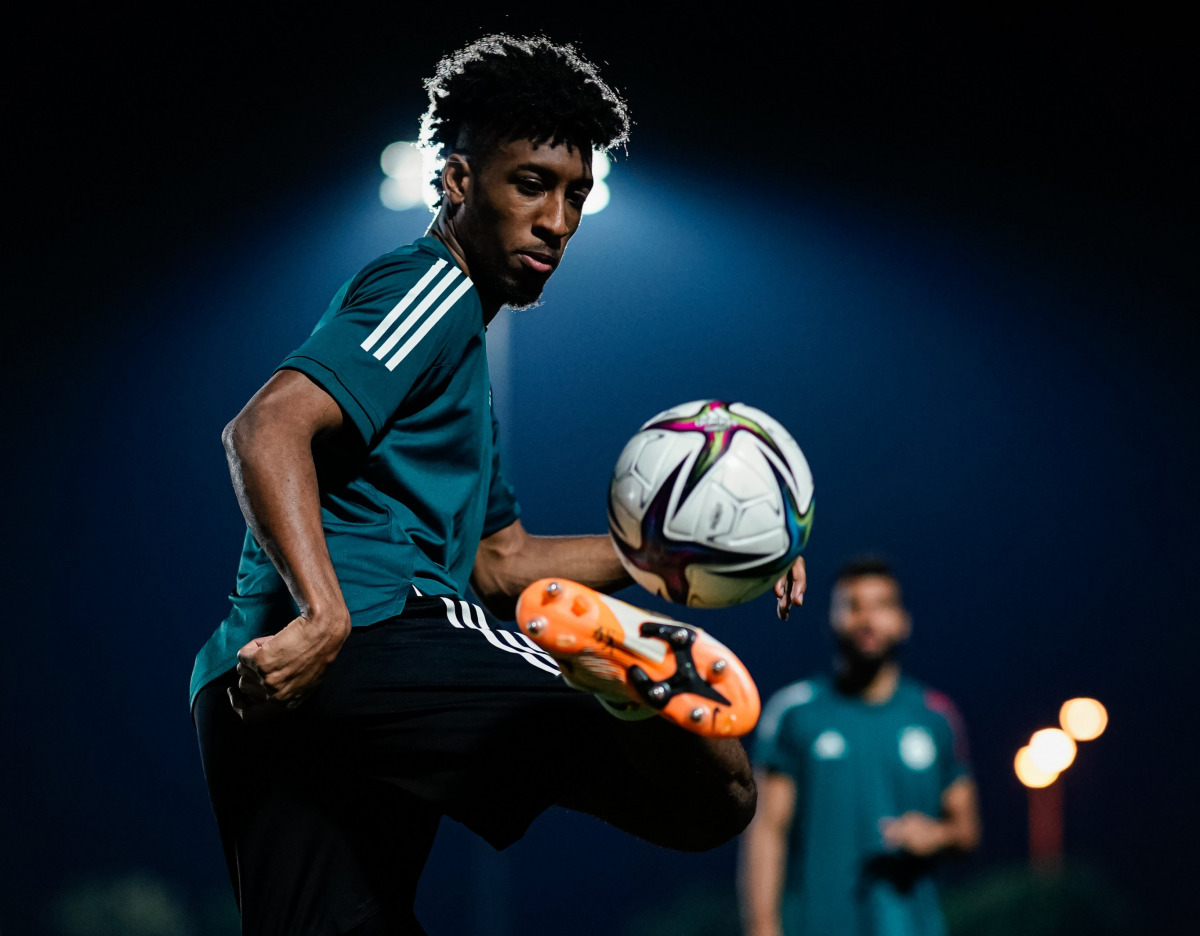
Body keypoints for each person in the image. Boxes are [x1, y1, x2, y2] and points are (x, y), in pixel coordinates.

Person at [190, 35, 808, 936]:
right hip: (363, 633)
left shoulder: (458, 365)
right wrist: (322, 616)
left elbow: (499, 560)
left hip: (248, 697)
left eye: (577, 197)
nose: (558, 220)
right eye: (530, 184)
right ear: (455, 182)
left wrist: (689, 554)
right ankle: (609, 674)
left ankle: (608, 656)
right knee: (712, 790)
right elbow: (267, 425)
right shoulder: (429, 287)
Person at [739, 557, 981, 936]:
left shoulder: (936, 717)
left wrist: (936, 835)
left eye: (882, 605)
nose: (868, 619)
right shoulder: (796, 713)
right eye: (853, 606)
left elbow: (967, 831)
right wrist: (762, 927)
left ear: (903, 621)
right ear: (832, 620)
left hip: (912, 926)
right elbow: (767, 831)